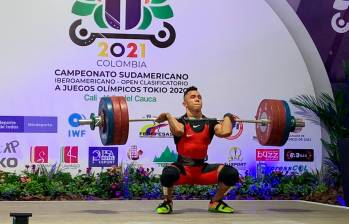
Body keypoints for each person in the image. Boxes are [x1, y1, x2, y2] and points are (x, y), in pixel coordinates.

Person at [154, 86, 239, 214]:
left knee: (231, 174)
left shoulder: (210, 122)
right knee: (168, 174)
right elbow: (178, 130)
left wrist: (227, 116)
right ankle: (167, 202)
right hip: (183, 169)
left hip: (202, 170)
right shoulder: (180, 121)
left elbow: (225, 132)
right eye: (192, 97)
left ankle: (215, 202)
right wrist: (168, 116)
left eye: (199, 97)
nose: (197, 99)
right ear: (185, 103)